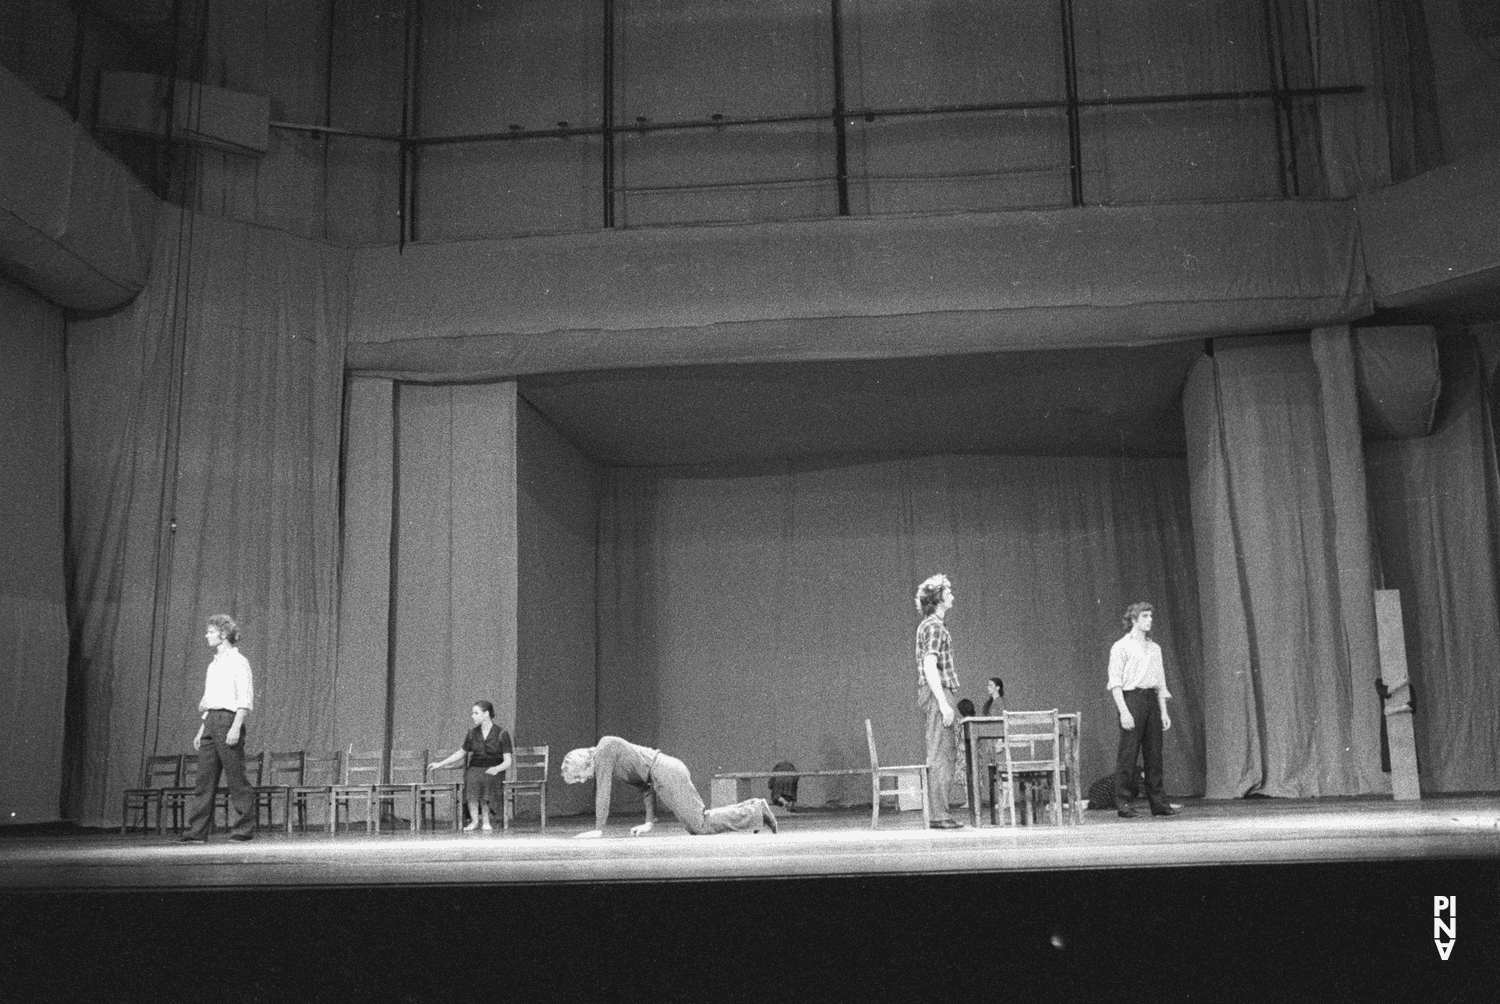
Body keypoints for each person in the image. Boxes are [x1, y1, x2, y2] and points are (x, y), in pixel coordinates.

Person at [561, 736, 778, 837]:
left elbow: (603, 791)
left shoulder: (605, 748)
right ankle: (755, 811)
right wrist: (648, 822)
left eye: (579, 777)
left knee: (700, 824)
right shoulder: (608, 759)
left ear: (585, 763)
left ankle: (756, 810)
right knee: (697, 826)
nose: (583, 781)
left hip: (666, 771)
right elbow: (646, 787)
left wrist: (599, 828)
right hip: (662, 776)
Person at [177, 614, 256, 842]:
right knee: (204, 780)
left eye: (211, 632)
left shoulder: (238, 661)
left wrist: (235, 727)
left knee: (236, 779)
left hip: (228, 720)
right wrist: (202, 729)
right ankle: (197, 831)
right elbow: (209, 700)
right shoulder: (213, 664)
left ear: (223, 634)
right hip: (211, 721)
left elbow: (245, 699)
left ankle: (243, 829)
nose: (206, 635)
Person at [1107, 601, 1179, 818]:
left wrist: (1163, 711)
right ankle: (1124, 803)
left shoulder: (1155, 648)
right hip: (1132, 700)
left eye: (1150, 616)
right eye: (1145, 616)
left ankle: (1158, 803)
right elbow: (1115, 682)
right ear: (1134, 620)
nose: (1150, 620)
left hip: (1151, 700)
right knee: (1128, 755)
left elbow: (1160, 682)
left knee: (1154, 754)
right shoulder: (1121, 647)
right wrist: (1124, 711)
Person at [914, 573, 963, 829]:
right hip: (938, 693)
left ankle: (940, 813)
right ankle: (939, 815)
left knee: (945, 754)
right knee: (940, 754)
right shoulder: (933, 626)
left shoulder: (936, 626)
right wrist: (943, 702)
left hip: (940, 692)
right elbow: (930, 665)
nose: (952, 594)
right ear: (938, 598)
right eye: (948, 591)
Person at [429, 700, 513, 832]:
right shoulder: (472, 733)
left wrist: (497, 768)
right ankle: (474, 821)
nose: (473, 716)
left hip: (494, 768)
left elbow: (508, 761)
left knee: (487, 779)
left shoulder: (502, 733)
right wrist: (440, 764)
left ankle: (486, 821)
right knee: (472, 779)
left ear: (486, 714)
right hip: (475, 767)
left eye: (476, 713)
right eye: (472, 713)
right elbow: (461, 752)